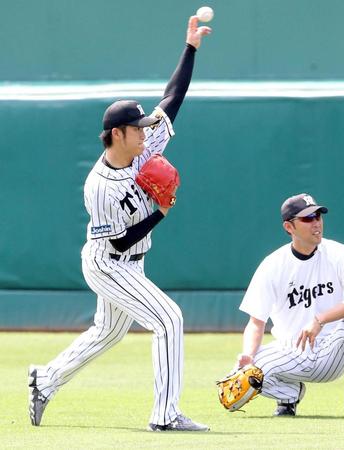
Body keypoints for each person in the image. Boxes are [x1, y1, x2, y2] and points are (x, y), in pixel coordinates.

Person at [28, 15, 211, 432]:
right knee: (169, 319)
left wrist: (191, 48)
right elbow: (119, 243)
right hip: (109, 262)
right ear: (116, 134)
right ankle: (165, 417)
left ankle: (44, 380)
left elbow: (172, 98)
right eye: (138, 128)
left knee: (108, 332)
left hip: (133, 261)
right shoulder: (99, 186)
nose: (147, 132)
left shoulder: (144, 148)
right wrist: (161, 212)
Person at [237, 193, 344, 419]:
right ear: (289, 227)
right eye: (308, 218)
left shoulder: (338, 253)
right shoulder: (273, 265)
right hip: (292, 352)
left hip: (332, 350)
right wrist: (247, 356)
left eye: (318, 215)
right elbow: (256, 322)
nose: (316, 222)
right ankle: (289, 395)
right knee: (250, 370)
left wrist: (320, 320)